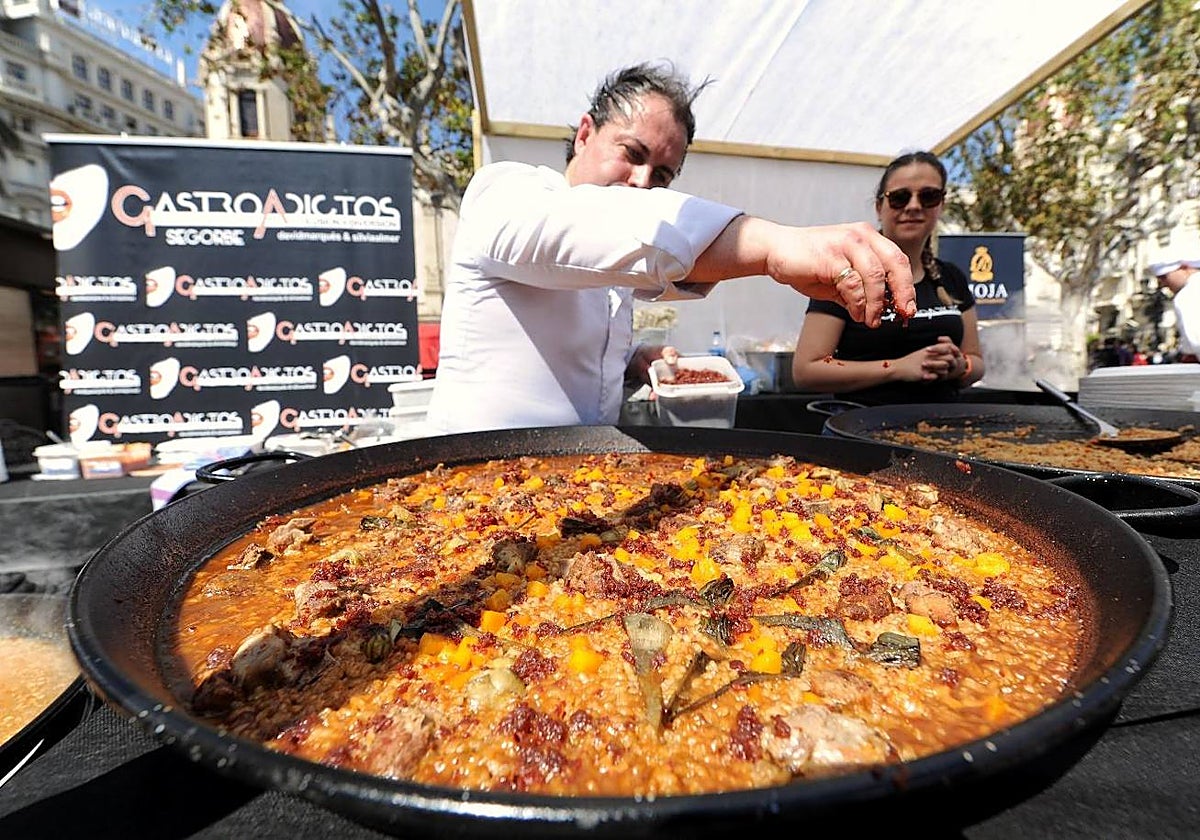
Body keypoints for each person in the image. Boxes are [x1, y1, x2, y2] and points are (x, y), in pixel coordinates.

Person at [426, 63, 915, 434]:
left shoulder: (616, 256)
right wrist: (775, 245)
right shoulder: (505, 192)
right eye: (632, 153)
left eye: (662, 174)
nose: (642, 182)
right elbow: (584, 232)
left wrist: (629, 361)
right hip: (471, 487)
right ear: (585, 134)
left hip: (575, 487)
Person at [790, 151, 984, 405]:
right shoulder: (848, 275)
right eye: (900, 197)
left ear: (941, 205)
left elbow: (976, 362)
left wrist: (959, 366)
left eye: (928, 196)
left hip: (943, 423)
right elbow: (807, 369)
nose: (913, 206)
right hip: (863, 423)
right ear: (879, 207)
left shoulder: (951, 277)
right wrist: (898, 368)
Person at [1149, 256, 1200, 363]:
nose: (1163, 284)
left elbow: (1197, 341)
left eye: (1164, 277)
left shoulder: (1188, 294)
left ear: (1184, 268)